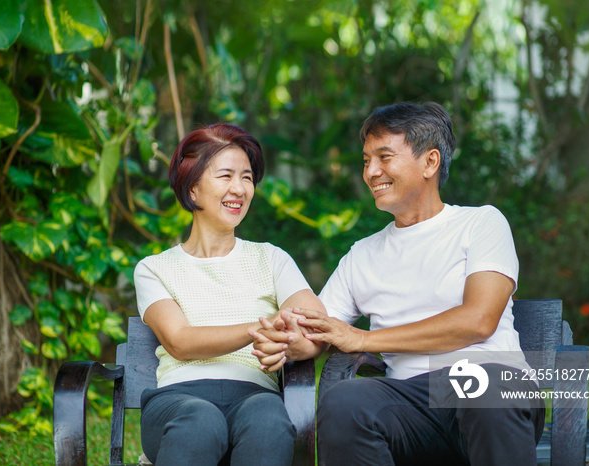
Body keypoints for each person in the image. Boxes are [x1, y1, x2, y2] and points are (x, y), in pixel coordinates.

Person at [251, 102, 545, 466]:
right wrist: (292, 342)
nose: (371, 171)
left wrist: (363, 339)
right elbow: (319, 329)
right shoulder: (363, 254)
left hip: (490, 387)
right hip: (410, 402)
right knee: (345, 402)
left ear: (430, 162)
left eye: (384, 157)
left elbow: (477, 321)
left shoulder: (481, 224)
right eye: (365, 160)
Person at [133, 123, 326, 466]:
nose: (239, 188)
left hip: (254, 394)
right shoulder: (154, 268)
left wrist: (290, 340)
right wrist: (262, 329)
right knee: (199, 423)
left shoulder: (271, 259)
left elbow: (315, 324)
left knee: (269, 421)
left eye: (247, 178)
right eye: (226, 176)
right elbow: (180, 341)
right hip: (179, 398)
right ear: (192, 190)